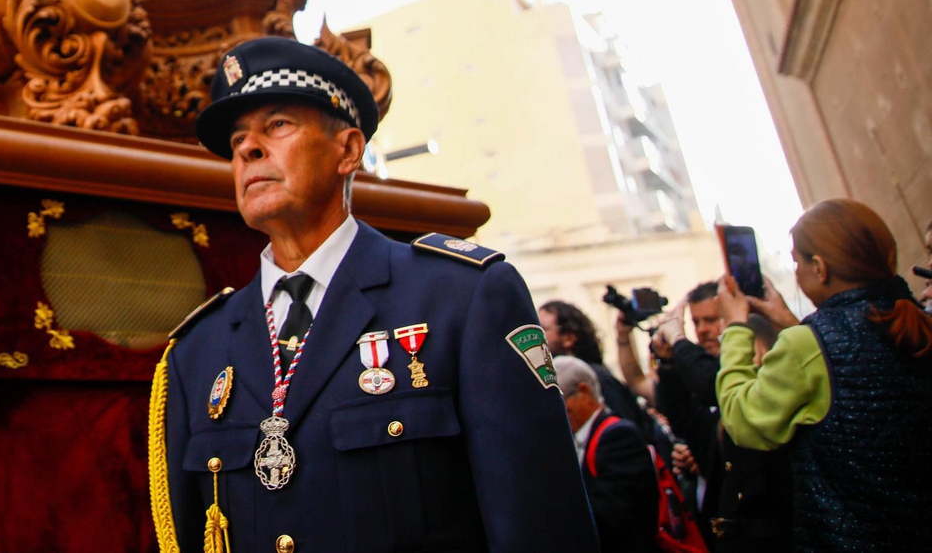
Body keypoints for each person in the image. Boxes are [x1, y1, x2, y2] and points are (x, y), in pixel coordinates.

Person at [149, 38, 598, 552]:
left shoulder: (461, 299)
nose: (248, 150)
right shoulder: (196, 352)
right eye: (237, 141)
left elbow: (540, 527)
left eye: (277, 125)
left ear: (348, 150)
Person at [715, 198, 932, 553]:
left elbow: (744, 421)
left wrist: (736, 328)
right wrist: (790, 323)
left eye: (797, 261)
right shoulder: (917, 321)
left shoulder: (807, 345)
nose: (796, 273)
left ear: (820, 267)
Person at [556, 356, 658, 553]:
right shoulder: (584, 437)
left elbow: (615, 516)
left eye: (560, 402)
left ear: (584, 392)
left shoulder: (618, 436)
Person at [540, 299, 662, 442]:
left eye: (543, 330)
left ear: (569, 338)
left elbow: (626, 431)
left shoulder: (596, 376)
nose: (537, 338)